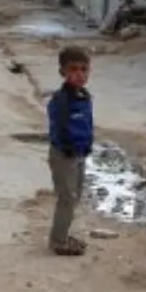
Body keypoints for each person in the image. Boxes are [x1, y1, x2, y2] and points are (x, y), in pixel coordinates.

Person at [45, 45, 95, 257]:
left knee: (75, 196)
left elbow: (87, 124)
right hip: (64, 156)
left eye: (84, 69)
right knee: (66, 197)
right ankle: (58, 241)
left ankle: (63, 234)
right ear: (63, 72)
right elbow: (58, 126)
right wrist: (66, 147)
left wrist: (87, 145)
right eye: (73, 69)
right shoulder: (61, 100)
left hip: (79, 154)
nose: (79, 74)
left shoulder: (84, 97)